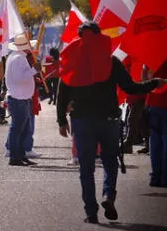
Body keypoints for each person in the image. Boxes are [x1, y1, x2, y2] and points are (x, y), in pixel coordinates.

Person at [56, 22, 165, 224]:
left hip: (82, 121)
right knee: (109, 162)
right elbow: (131, 88)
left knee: (86, 169)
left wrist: (62, 121)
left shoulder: (72, 59)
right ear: (100, 36)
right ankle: (108, 195)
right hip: (109, 120)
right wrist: (154, 83)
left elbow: (62, 93)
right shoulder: (111, 61)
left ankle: (91, 212)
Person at [5, 33, 40, 167]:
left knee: (22, 129)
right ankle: (15, 156)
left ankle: (20, 155)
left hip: (20, 98)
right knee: (18, 129)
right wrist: (33, 71)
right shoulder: (19, 59)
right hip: (19, 98)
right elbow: (19, 78)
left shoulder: (15, 57)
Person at [147, 60, 167, 187]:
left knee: (155, 142)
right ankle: (165, 178)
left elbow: (145, 78)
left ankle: (155, 176)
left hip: (154, 102)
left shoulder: (152, 56)